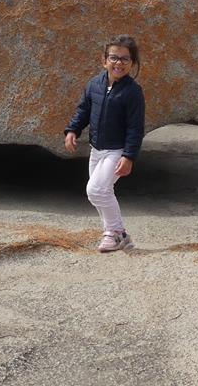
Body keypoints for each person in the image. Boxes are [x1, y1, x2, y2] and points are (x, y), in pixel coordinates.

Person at [61, 35, 148, 253]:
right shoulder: (94, 84)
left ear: (132, 63)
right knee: (101, 192)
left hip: (116, 149)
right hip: (97, 148)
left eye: (125, 59)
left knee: (96, 190)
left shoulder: (132, 92)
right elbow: (83, 110)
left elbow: (135, 127)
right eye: (114, 58)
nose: (118, 63)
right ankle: (116, 234)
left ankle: (115, 233)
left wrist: (128, 156)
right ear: (104, 60)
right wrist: (73, 129)